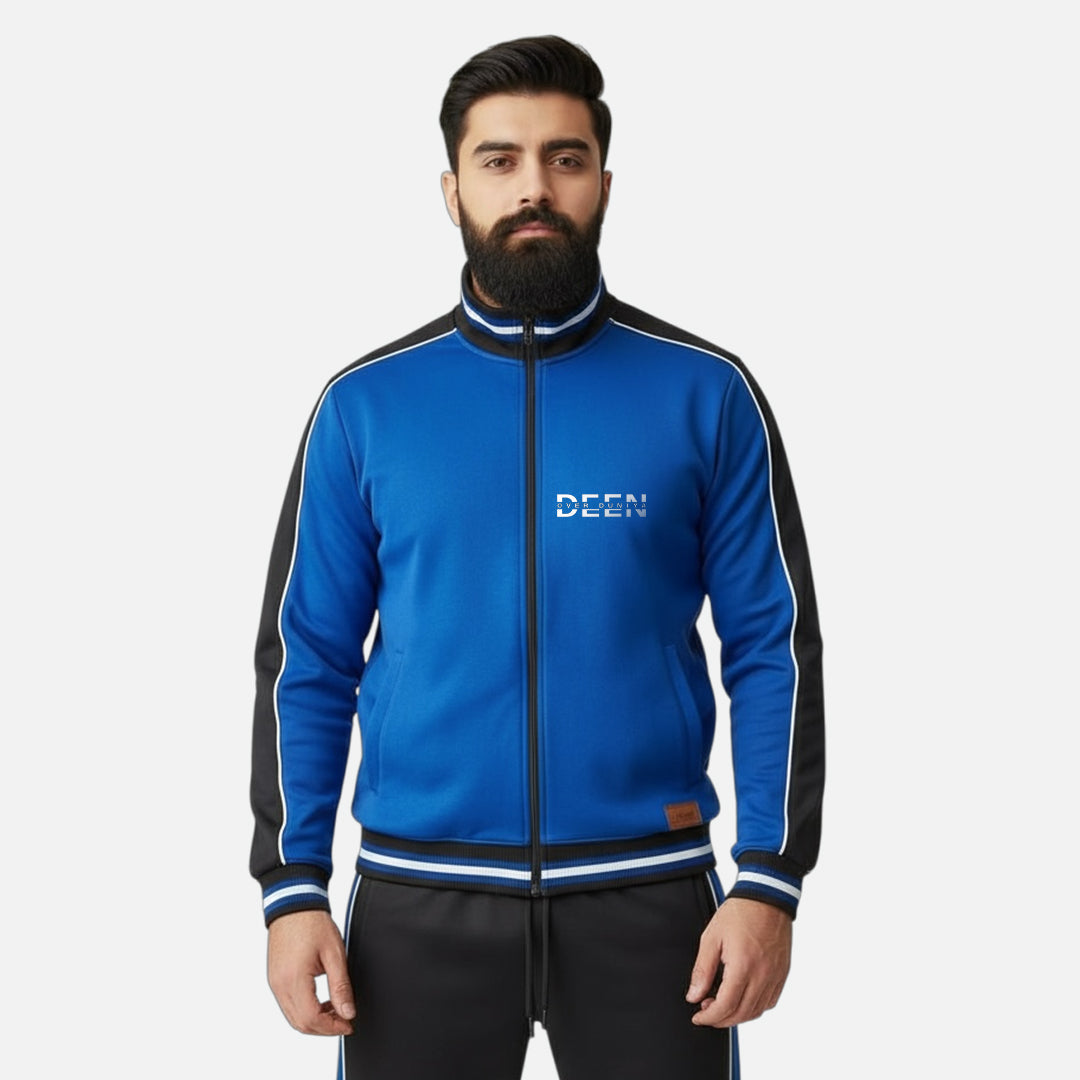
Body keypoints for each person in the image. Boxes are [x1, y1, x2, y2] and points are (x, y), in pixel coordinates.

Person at [249, 34, 824, 1080]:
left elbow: (772, 646)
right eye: (499, 159)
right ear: (452, 189)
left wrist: (769, 879)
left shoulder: (706, 394)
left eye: (564, 158)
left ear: (603, 182)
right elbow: (308, 659)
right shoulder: (365, 407)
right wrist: (292, 888)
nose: (534, 188)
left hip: (654, 900)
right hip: (418, 901)